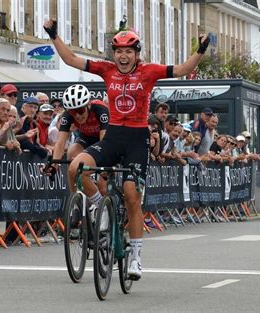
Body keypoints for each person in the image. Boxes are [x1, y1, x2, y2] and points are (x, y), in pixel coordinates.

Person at [44, 18, 209, 280]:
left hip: (136, 139)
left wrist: (200, 51)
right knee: (77, 167)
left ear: (136, 53)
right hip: (113, 138)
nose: (123, 56)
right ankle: (99, 206)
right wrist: (53, 35)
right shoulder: (106, 69)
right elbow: (71, 60)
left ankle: (136, 257)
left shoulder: (149, 71)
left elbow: (181, 69)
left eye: (128, 51)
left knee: (132, 194)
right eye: (119, 51)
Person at [50, 84, 109, 192]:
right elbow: (60, 143)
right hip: (86, 138)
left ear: (88, 104)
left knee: (102, 188)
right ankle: (75, 199)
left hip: (105, 140)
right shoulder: (67, 116)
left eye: (80, 110)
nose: (77, 115)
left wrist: (102, 169)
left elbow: (104, 142)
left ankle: (102, 204)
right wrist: (54, 165)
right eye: (73, 111)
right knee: (71, 154)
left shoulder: (101, 110)